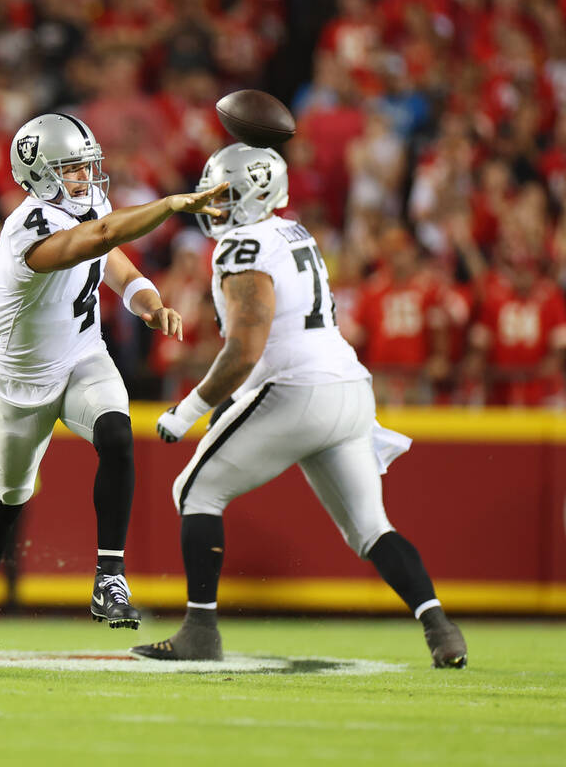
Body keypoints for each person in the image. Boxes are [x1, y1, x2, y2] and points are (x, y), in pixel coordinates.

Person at [132, 143, 467, 668]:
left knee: (194, 491)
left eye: (225, 195)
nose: (214, 205)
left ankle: (200, 629)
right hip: (350, 389)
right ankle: (440, 628)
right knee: (371, 527)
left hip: (298, 390)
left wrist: (188, 409)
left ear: (252, 196)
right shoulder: (295, 232)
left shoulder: (241, 246)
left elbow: (246, 349)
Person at [0, 112, 228, 671]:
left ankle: (109, 575)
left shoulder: (82, 205)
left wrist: (142, 294)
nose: (84, 178)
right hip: (23, 378)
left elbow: (107, 252)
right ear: (38, 174)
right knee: (7, 501)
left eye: (85, 167)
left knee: (117, 432)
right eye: (70, 169)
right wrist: (168, 205)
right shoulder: (26, 228)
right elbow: (96, 236)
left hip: (82, 354)